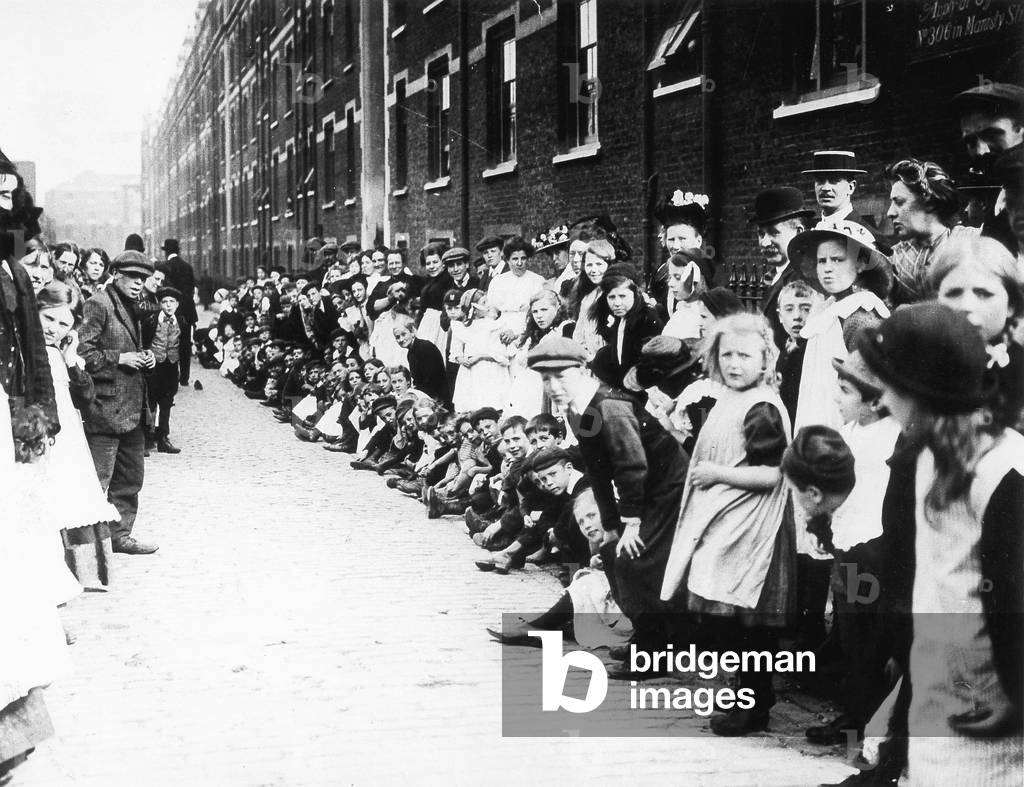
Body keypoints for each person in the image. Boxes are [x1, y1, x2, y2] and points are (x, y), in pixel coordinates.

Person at [856, 302, 1023, 786]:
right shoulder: (921, 454)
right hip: (938, 689)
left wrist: (1014, 705)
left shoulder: (1003, 469)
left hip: (991, 703)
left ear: (919, 388)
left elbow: (1012, 599)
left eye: (888, 384)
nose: (881, 399)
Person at [660, 312, 794, 736]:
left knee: (747, 621)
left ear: (765, 359)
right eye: (727, 355)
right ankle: (745, 692)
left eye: (745, 355)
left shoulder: (761, 408)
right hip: (729, 524)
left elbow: (771, 473)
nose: (735, 364)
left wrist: (717, 474)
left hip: (753, 529)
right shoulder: (732, 400)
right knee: (727, 619)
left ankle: (753, 703)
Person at [527, 335, 687, 680]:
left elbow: (632, 466)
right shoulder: (577, 410)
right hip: (643, 491)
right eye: (545, 378)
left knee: (638, 561)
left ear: (584, 371)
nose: (553, 385)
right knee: (614, 554)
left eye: (561, 375)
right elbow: (598, 470)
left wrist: (630, 523)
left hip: (667, 488)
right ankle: (646, 637)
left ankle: (656, 654)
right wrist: (611, 523)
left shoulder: (608, 406)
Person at [35, 281, 117, 589]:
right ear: (37, 311)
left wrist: (71, 358)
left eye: (63, 324)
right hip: (38, 432)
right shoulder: (26, 351)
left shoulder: (64, 355)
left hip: (68, 436)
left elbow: (87, 399)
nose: (54, 329)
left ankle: (81, 571)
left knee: (71, 492)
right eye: (49, 318)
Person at [78, 250, 159, 555]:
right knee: (98, 479)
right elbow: (82, 354)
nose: (139, 284)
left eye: (143, 278)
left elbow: (128, 345)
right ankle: (87, 546)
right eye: (133, 277)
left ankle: (119, 536)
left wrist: (146, 356)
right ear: (116, 274)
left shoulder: (131, 304)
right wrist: (120, 358)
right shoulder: (98, 303)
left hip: (131, 407)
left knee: (130, 477)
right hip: (105, 407)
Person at [928, 233, 1024, 430]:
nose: (966, 306)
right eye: (953, 293)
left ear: (1011, 305)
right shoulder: (924, 368)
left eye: (983, 293)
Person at [884, 158, 977, 305]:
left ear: (929, 201)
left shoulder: (972, 242)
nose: (890, 212)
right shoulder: (894, 259)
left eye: (899, 202)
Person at [749, 186, 817, 350]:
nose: (765, 242)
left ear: (798, 232)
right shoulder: (772, 274)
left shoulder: (804, 277)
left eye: (774, 233)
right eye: (761, 234)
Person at [142, 285, 187, 454]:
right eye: (164, 302)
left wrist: (183, 373)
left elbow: (185, 348)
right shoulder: (151, 320)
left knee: (167, 402)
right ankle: (146, 438)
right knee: (150, 401)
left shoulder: (181, 321)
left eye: (172, 302)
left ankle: (163, 438)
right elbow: (144, 342)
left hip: (171, 366)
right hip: (154, 366)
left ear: (177, 304)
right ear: (159, 303)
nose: (168, 305)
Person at [802, 150, 879, 233]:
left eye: (834, 181)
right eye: (820, 181)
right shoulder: (810, 234)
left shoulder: (868, 236)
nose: (825, 188)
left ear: (851, 187)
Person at [486, 236, 545, 335]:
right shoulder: (497, 281)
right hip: (501, 328)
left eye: (523, 258)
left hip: (528, 328)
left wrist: (518, 333)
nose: (519, 263)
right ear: (508, 260)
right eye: (514, 259)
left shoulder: (537, 281)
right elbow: (491, 312)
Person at [160, 238, 197, 385]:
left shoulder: (165, 266)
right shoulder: (187, 267)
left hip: (172, 311)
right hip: (187, 312)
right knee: (185, 343)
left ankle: (172, 377)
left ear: (167, 252)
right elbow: (192, 289)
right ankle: (185, 378)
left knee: (171, 342)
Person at [393, 313, 448, 405]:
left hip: (438, 398)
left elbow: (433, 380)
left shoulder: (424, 347)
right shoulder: (411, 353)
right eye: (397, 337)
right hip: (427, 395)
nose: (401, 339)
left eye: (403, 334)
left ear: (412, 331)